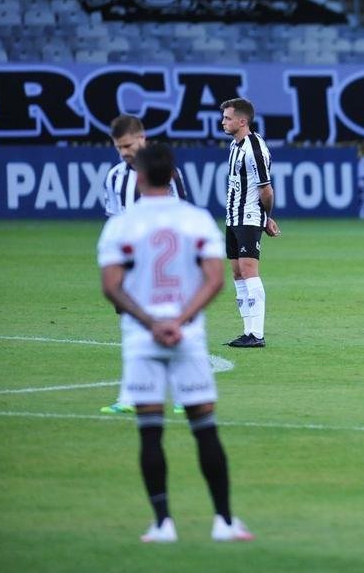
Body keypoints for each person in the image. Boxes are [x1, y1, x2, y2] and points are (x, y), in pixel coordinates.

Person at [97, 143, 254, 542]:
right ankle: (224, 521)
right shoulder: (196, 219)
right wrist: (179, 320)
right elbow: (215, 279)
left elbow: (111, 286)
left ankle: (163, 523)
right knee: (205, 427)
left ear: (139, 176)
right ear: (173, 175)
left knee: (150, 430)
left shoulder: (121, 224)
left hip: (141, 336)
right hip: (187, 336)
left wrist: (152, 322)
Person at [101, 113, 189, 416]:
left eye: (127, 145)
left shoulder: (167, 173)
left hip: (165, 269)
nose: (124, 152)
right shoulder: (114, 177)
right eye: (118, 147)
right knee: (132, 330)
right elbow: (114, 221)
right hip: (132, 269)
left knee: (172, 328)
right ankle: (129, 396)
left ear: (142, 138)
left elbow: (183, 218)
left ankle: (181, 393)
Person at [220, 98, 280, 348]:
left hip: (249, 217)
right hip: (233, 216)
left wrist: (265, 218)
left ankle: (257, 334)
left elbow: (266, 190)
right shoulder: (236, 146)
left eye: (228, 118)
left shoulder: (254, 149)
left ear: (242, 121)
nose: (223, 122)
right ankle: (247, 331)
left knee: (248, 270)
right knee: (236, 272)